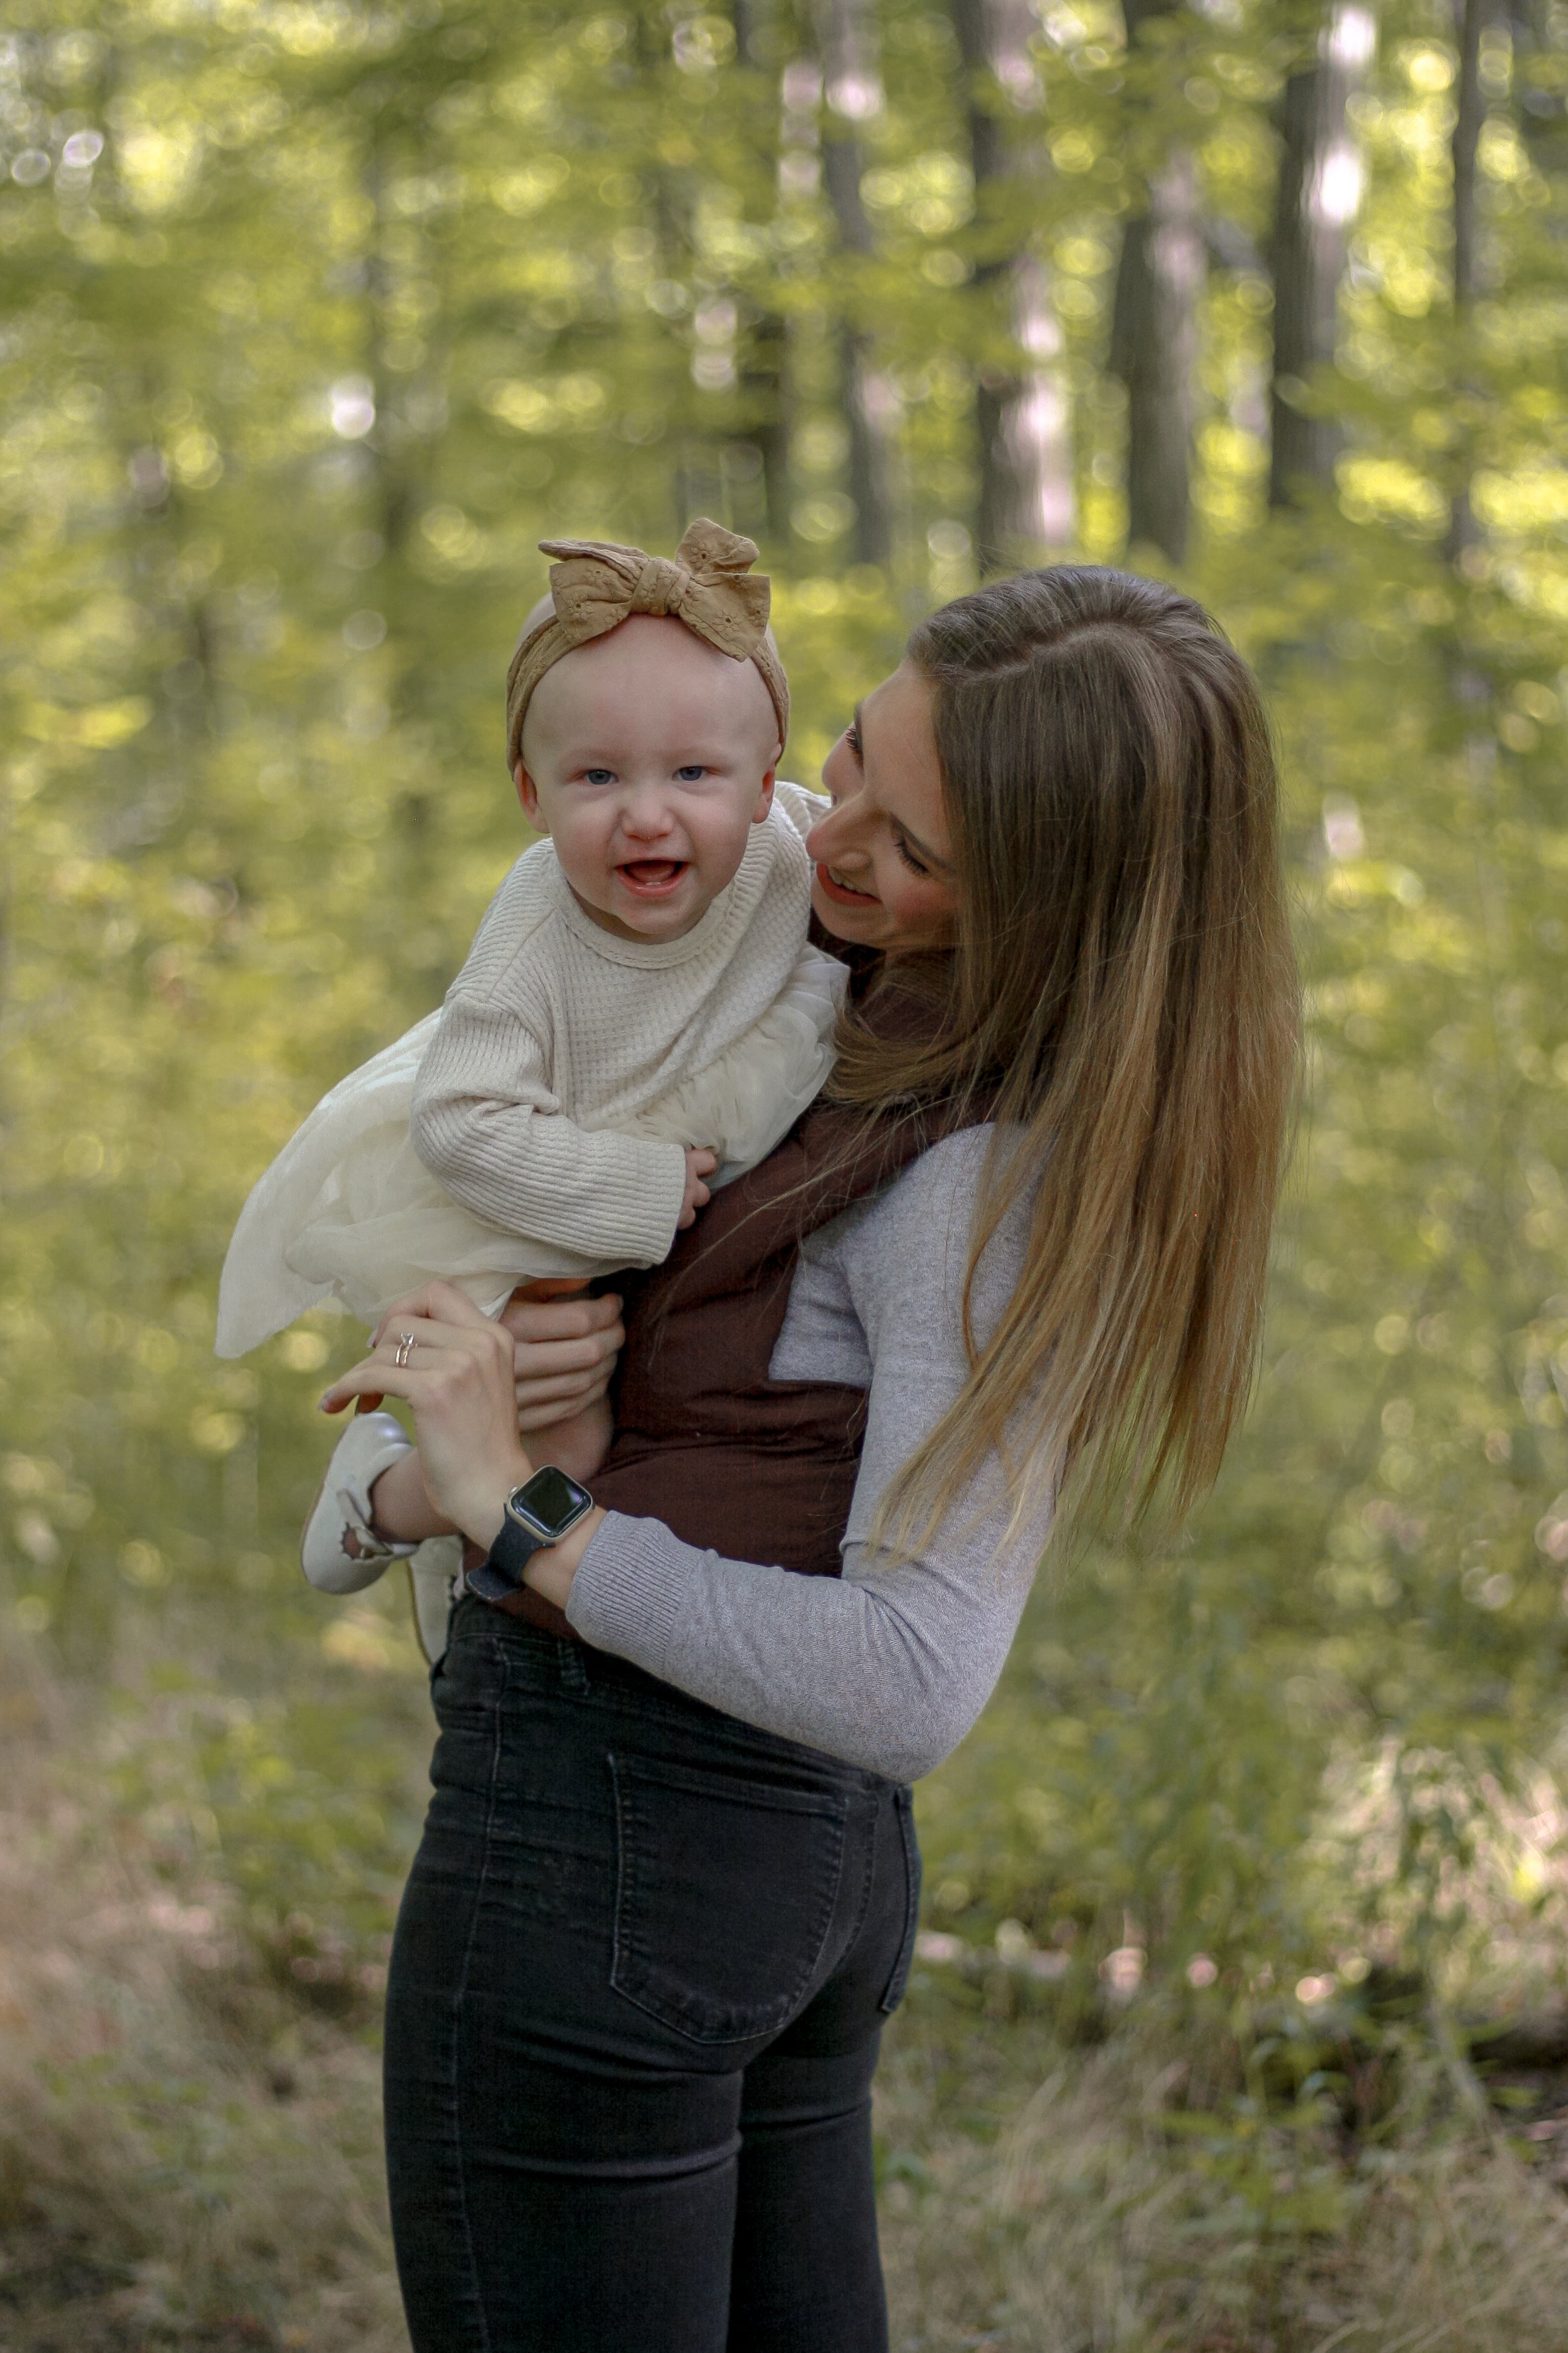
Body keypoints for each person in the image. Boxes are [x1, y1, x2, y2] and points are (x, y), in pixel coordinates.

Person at [318, 565, 1301, 2352]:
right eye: (844, 754)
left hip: (625, 1861)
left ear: (1049, 903)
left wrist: (520, 1516)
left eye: (907, 844)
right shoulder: (846, 994)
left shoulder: (975, 1185)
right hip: (759, 1888)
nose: (821, 837)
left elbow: (915, 1670)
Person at [215, 520, 843, 1642]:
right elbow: (458, 1120)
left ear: (765, 782)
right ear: (530, 791)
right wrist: (635, 1194)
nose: (646, 812)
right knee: (566, 1437)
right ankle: (381, 1484)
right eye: (596, 776)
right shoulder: (535, 931)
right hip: (522, 1184)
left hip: (661, 1140)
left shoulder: (799, 853)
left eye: (693, 772)